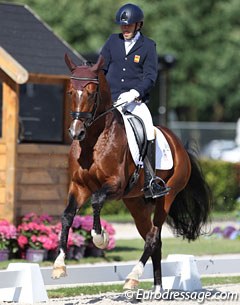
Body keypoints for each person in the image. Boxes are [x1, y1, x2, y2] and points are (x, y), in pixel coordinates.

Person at [100, 3, 169, 199]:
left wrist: (134, 92)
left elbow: (150, 77)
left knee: (148, 131)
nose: (125, 29)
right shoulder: (112, 41)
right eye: (123, 26)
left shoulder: (148, 46)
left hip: (135, 102)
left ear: (138, 25)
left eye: (129, 26)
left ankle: (151, 179)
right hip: (111, 102)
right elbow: (102, 69)